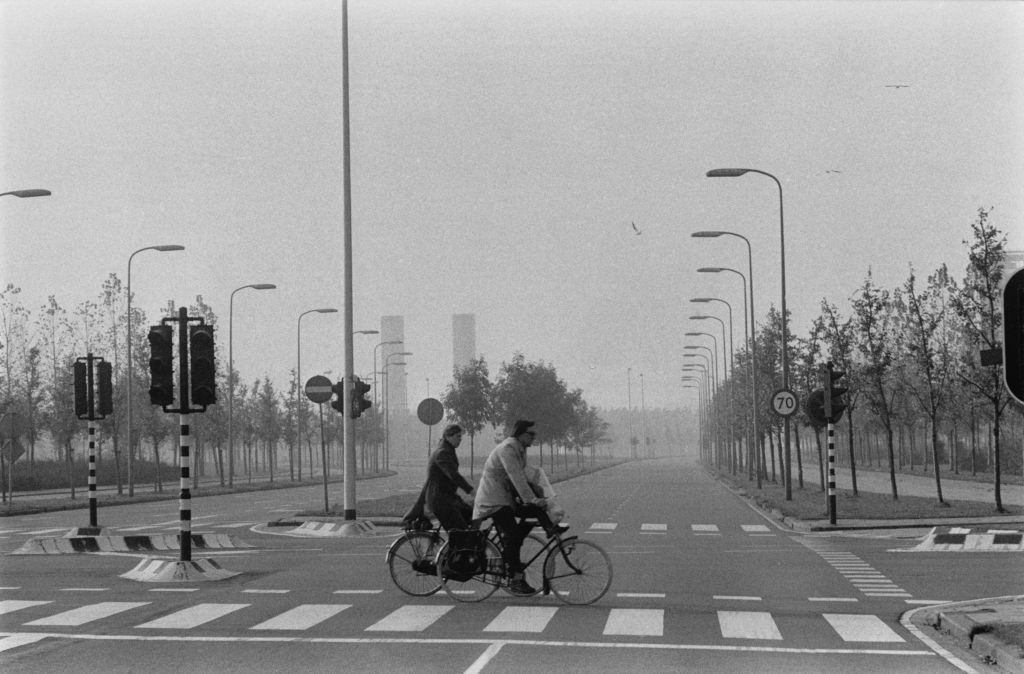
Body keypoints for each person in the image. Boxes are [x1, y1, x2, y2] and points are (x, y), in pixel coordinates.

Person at [472, 419, 564, 596]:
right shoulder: (507, 448)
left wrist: (541, 494)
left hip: (505, 498)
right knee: (513, 535)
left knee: (534, 513)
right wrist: (532, 498)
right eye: (531, 435)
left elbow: (526, 477)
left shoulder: (519, 449)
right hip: (493, 500)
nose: (533, 438)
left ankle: (549, 528)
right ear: (521, 434)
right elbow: (516, 477)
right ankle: (515, 579)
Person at [403, 424, 475, 532]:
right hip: (441, 501)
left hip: (448, 498)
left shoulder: (447, 450)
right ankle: (458, 548)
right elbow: (453, 475)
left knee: (471, 515)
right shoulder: (442, 453)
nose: (460, 440)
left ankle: (467, 546)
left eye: (461, 437)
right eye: (458, 436)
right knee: (460, 533)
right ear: (448, 436)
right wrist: (471, 491)